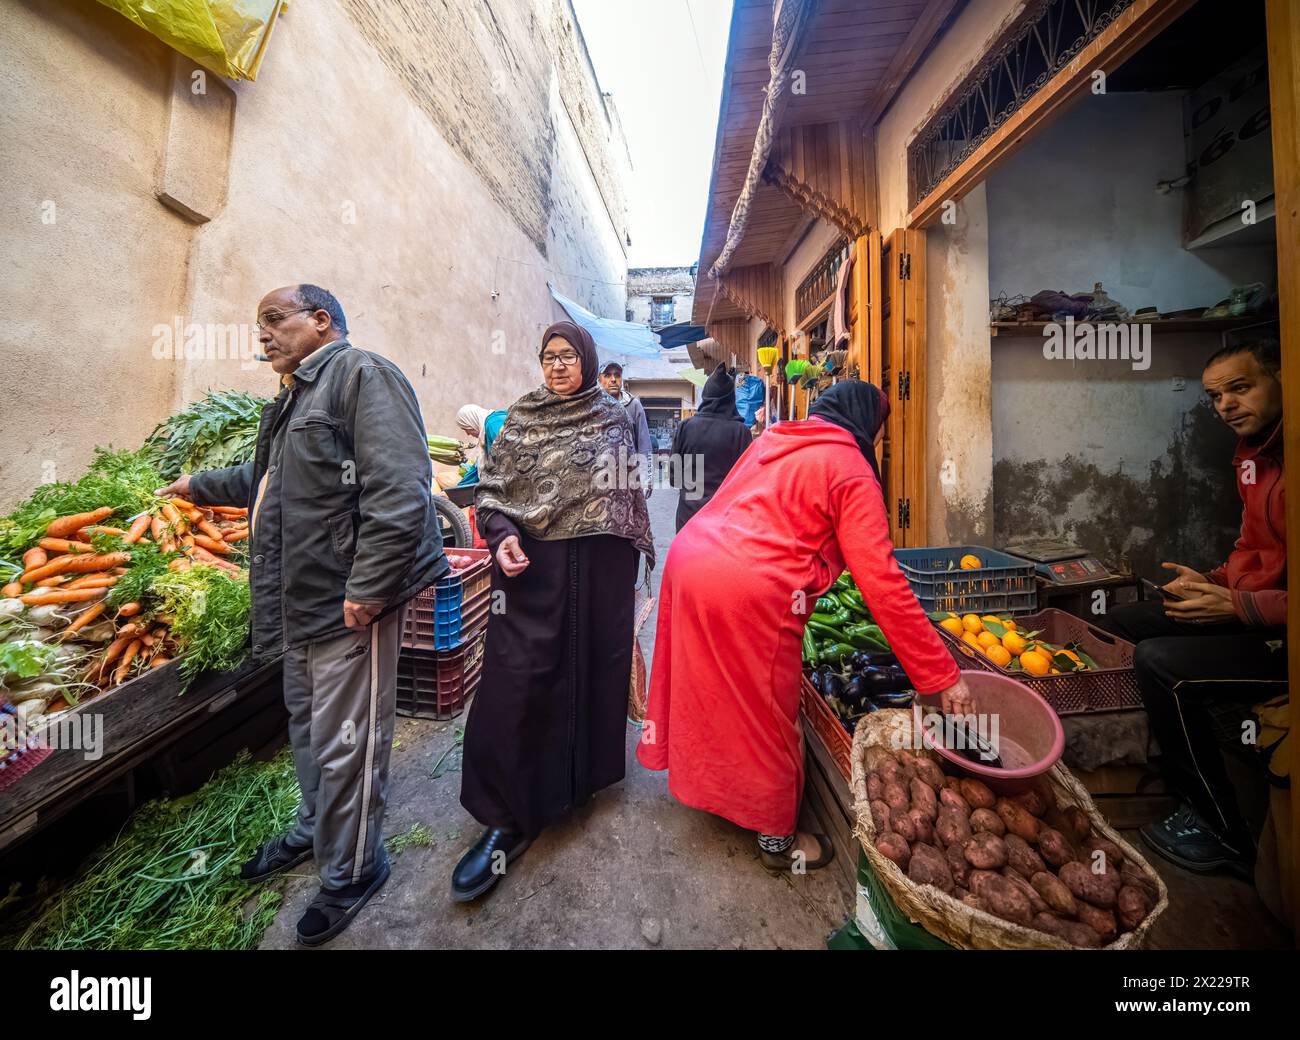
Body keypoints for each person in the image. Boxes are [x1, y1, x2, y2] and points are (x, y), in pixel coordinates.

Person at [156, 284, 445, 945]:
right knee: (311, 732)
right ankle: (316, 831)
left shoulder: (362, 376)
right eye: (259, 323)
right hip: (301, 606)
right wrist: (196, 486)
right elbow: (263, 480)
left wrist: (368, 591)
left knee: (352, 742)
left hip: (349, 607)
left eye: (273, 319)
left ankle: (353, 870)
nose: (262, 334)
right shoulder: (292, 400)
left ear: (322, 320)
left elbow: (401, 492)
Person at [638, 381, 975, 870]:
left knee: (707, 691)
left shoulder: (777, 439)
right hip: (750, 588)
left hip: (690, 562)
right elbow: (882, 584)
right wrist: (941, 673)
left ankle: (711, 790)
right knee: (770, 712)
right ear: (866, 425)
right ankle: (778, 839)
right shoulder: (849, 469)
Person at [453, 321, 654, 901]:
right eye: (548, 357)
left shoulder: (613, 418)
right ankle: (506, 818)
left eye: (568, 356)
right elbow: (492, 490)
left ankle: (578, 783)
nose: (558, 365)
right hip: (529, 573)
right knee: (516, 682)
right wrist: (500, 534)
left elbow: (627, 497)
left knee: (592, 672)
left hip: (599, 576)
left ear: (587, 362)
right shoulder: (520, 419)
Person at [1104, 341, 1287, 877]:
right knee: (1124, 621)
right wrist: (1209, 584)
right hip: (1251, 609)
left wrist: (1237, 605)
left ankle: (1221, 829)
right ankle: (1156, 773)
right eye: (1215, 396)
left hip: (1279, 634)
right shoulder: (1253, 457)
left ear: (1280, 376)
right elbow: (1252, 548)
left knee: (1162, 663)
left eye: (1240, 388)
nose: (1226, 405)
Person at [669, 363, 751, 532]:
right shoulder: (742, 432)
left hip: (689, 520)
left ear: (706, 394)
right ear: (731, 397)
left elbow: (674, 479)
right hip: (726, 523)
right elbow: (747, 484)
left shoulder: (686, 427)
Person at [599, 361, 654, 497]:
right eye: (607, 375)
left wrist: (646, 480)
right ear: (599, 379)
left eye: (617, 375)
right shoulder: (594, 407)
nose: (613, 379)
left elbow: (644, 444)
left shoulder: (633, 406)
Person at [453, 403, 507, 485]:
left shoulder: (494, 423)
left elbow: (507, 455)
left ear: (472, 422)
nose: (467, 434)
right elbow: (477, 469)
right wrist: (455, 490)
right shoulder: (485, 434)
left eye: (466, 429)